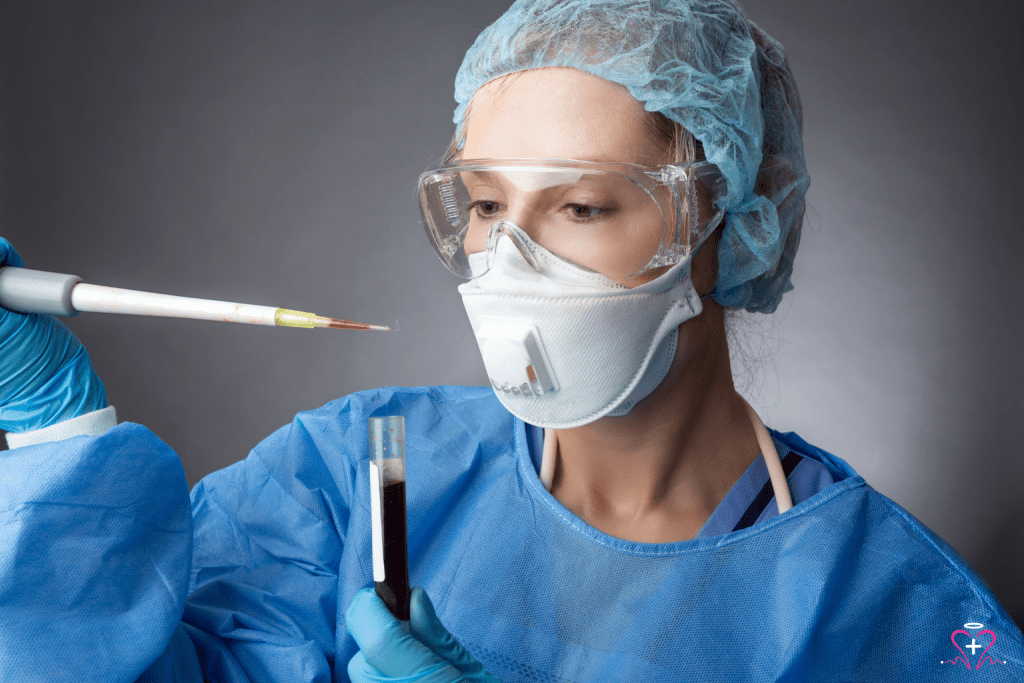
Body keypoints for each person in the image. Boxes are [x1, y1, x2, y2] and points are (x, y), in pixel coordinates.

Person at [0, 0, 1021, 681]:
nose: (509, 260)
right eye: (485, 203)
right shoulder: (354, 474)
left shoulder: (883, 605)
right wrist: (59, 436)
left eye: (579, 206)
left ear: (732, 229)